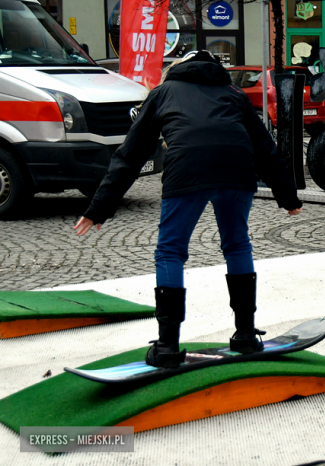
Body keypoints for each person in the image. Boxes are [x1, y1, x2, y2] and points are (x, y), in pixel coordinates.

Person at [74, 50, 303, 367]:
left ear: (179, 69)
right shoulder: (234, 93)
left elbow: (131, 154)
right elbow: (266, 147)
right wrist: (288, 197)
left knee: (170, 251)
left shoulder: (163, 92)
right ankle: (246, 336)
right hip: (236, 170)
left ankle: (167, 345)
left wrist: (99, 207)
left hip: (187, 170)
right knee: (237, 244)